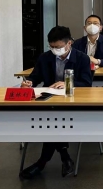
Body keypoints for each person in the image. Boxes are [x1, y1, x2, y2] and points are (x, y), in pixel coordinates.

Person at [20, 26, 92, 179]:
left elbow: (86, 84)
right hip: (50, 100)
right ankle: (65, 156)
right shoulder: (45, 57)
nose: (55, 50)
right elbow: (35, 77)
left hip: (73, 102)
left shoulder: (82, 58)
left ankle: (42, 162)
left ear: (69, 43)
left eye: (58, 47)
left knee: (53, 121)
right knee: (52, 119)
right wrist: (29, 83)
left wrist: (68, 84)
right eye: (51, 47)